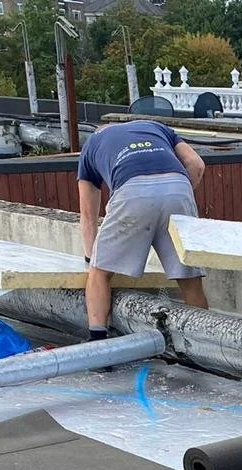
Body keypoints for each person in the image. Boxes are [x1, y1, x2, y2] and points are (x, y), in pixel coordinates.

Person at [77, 119, 210, 336]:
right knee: (189, 277)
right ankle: (203, 341)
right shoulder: (156, 127)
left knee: (99, 273)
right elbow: (197, 165)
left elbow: (88, 217)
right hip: (178, 187)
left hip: (131, 189)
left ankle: (99, 342)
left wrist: (90, 259)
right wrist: (173, 197)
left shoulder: (92, 144)